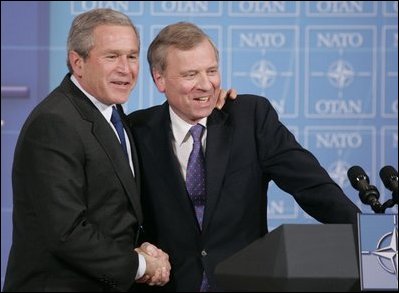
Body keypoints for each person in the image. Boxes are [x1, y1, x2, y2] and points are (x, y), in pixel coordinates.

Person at [127, 22, 362, 292]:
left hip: (243, 282)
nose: (206, 85)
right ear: (159, 79)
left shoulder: (250, 117)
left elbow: (312, 186)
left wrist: (372, 243)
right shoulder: (137, 131)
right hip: (170, 285)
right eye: (191, 74)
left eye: (212, 71)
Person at [2, 8, 172, 292]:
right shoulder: (54, 123)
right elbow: (66, 232)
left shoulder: (114, 114)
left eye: (131, 56)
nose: (126, 68)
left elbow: (115, 214)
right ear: (77, 63)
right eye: (111, 56)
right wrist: (140, 266)